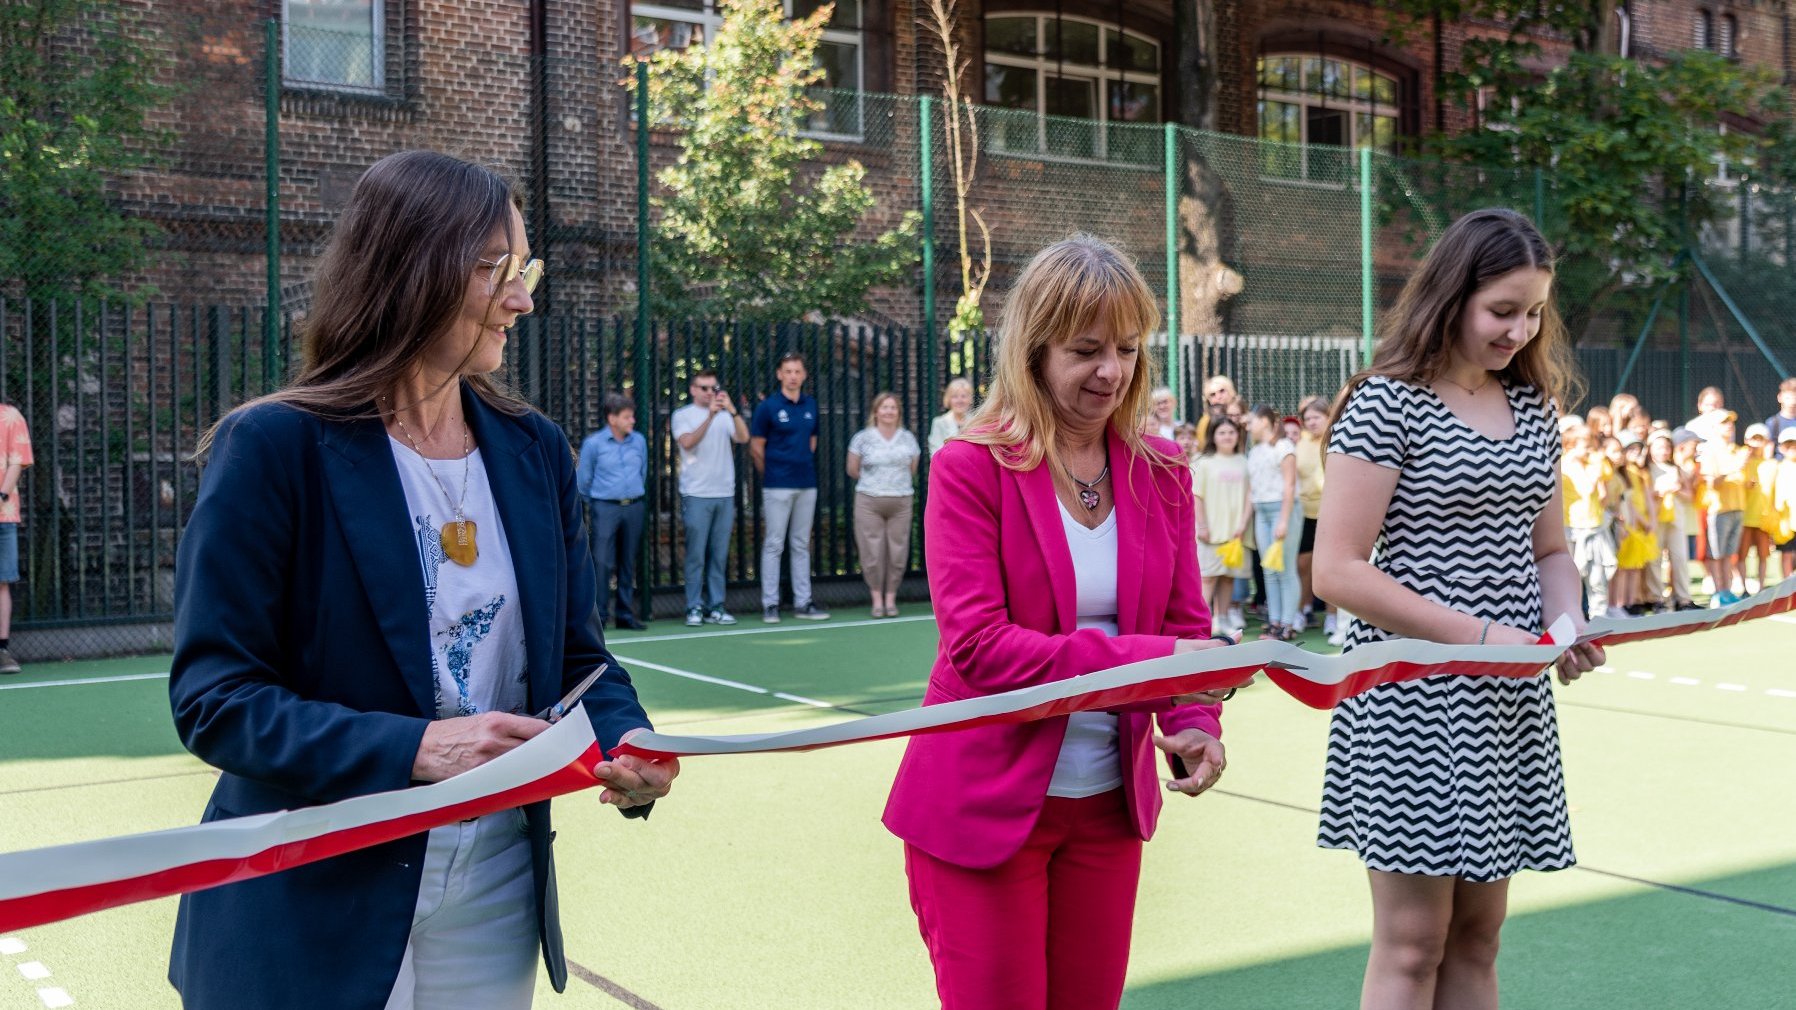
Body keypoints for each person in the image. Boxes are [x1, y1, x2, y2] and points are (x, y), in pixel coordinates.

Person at [166, 150, 677, 1010]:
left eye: (527, 269)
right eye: (497, 271)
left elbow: (578, 661)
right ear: (411, 273)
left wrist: (628, 740)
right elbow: (217, 698)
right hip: (315, 894)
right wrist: (415, 749)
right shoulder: (274, 448)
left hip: (496, 890)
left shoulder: (534, 449)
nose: (522, 297)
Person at [883, 236, 1232, 1010]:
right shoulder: (969, 466)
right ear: (1034, 352)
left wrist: (1196, 716)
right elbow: (980, 650)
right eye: (1086, 350)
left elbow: (1184, 618)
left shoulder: (1165, 469)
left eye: (1129, 349)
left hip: (1108, 811)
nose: (1113, 371)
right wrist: (1163, 659)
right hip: (980, 810)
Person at [1312, 208, 1603, 1010]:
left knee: (1478, 938)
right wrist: (1481, 637)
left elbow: (1550, 552)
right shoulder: (1384, 404)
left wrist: (1566, 625)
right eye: (1502, 309)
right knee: (1413, 947)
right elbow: (1337, 569)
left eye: (1535, 310)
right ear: (1451, 296)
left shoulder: (1533, 409)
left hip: (1505, 697)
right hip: (1409, 695)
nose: (1521, 329)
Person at [750, 352, 829, 623]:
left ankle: (803, 602)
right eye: (788, 371)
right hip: (777, 485)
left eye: (797, 371)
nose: (793, 376)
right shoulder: (768, 407)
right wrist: (773, 472)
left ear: (804, 375)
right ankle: (770, 604)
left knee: (800, 544)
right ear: (779, 374)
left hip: (806, 483)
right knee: (774, 543)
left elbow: (812, 441)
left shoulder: (811, 405)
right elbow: (756, 447)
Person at [672, 369, 748, 627]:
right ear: (693, 390)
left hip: (724, 493)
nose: (710, 393)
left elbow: (743, 437)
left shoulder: (727, 416)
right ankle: (694, 607)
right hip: (696, 494)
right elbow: (688, 442)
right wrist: (711, 416)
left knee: (719, 554)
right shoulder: (682, 415)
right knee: (695, 554)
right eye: (704, 388)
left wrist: (732, 411)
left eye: (713, 388)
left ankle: (717, 606)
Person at [577, 394, 649, 630]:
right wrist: (598, 503)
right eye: (627, 417)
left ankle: (625, 615)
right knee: (602, 561)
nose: (632, 421)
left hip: (634, 506)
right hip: (605, 507)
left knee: (628, 561)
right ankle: (600, 617)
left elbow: (643, 472)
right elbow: (583, 481)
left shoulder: (638, 441)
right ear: (612, 419)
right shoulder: (594, 444)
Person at [847, 392, 921, 618]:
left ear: (898, 412)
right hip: (869, 500)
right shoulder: (862, 438)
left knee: (897, 551)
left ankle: (891, 598)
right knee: (872, 551)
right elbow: (852, 469)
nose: (888, 411)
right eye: (884, 407)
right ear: (876, 411)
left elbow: (913, 469)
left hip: (901, 500)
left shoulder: (908, 438)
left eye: (893, 408)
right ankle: (876, 598)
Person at [1245, 405, 1301, 641]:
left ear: (1265, 422)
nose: (1248, 427)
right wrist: (1242, 523)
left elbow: (1289, 485)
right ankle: (1274, 622)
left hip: (1282, 510)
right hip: (1262, 512)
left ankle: (1287, 623)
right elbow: (1252, 489)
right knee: (1269, 569)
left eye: (1252, 422)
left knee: (1286, 569)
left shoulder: (1284, 447)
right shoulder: (1255, 451)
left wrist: (1284, 520)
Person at [1192, 416, 1250, 635]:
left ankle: (1222, 618)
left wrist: (1243, 525)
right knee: (1207, 578)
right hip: (1211, 532)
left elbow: (1249, 497)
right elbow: (1197, 496)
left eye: (1231, 432)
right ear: (1213, 437)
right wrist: (1203, 525)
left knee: (1228, 578)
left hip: (1235, 532)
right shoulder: (1203, 462)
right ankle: (1200, 621)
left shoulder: (1244, 461)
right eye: (1222, 433)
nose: (1227, 437)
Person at [1561, 424, 1615, 619]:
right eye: (1585, 446)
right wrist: (1594, 474)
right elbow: (1585, 489)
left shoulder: (1591, 465)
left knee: (1597, 578)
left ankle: (1599, 616)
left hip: (1594, 526)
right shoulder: (1564, 465)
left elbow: (1603, 497)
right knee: (1574, 577)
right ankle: (1573, 616)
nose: (1589, 451)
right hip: (1572, 529)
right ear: (1570, 446)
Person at [1695, 408, 1746, 605]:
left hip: (1738, 507)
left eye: (1731, 423)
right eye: (1724, 423)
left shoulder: (1736, 450)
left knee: (1728, 554)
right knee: (1716, 554)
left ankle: (1727, 590)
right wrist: (1733, 468)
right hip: (1719, 510)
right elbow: (1711, 483)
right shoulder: (1710, 451)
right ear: (1715, 428)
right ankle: (1718, 593)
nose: (1729, 426)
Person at [1647, 428, 1699, 611]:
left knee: (1680, 557)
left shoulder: (1676, 469)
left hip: (1676, 519)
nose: (1663, 451)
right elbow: (1644, 495)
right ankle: (1656, 597)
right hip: (1655, 520)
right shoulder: (1646, 470)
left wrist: (1677, 489)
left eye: (1667, 447)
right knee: (1654, 559)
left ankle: (1683, 598)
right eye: (1659, 447)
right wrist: (1660, 492)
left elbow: (1689, 495)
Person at [1294, 396, 1330, 636]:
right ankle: (1303, 610)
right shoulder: (1299, 442)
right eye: (1307, 419)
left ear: (1328, 418)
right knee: (1303, 565)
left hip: (1330, 511)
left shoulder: (1336, 438)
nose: (1311, 422)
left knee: (1328, 565)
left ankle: (1333, 617)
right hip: (1303, 512)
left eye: (1316, 417)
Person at [0, 401, 31, 675]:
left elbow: (17, 460)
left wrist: (0, 495)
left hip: (3, 516)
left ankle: (2, 651)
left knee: (2, 582)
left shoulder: (10, 417)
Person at [928, 377, 975, 455]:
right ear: (948, 399)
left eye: (963, 396)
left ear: (970, 399)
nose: (959, 401)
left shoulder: (976, 421)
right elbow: (936, 453)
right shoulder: (939, 423)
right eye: (955, 396)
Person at [1767, 377, 1796, 459]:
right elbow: (1769, 448)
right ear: (1779, 397)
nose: (1792, 402)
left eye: (1795, 398)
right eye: (1788, 398)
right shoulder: (1773, 422)